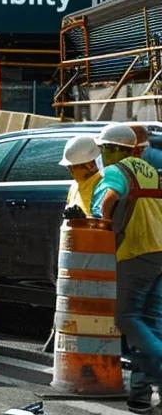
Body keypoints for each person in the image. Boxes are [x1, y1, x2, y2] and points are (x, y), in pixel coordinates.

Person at [92, 123, 162, 415]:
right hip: (159, 249)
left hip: (135, 251)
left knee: (126, 318)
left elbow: (106, 201)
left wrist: (103, 225)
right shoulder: (150, 171)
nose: (100, 155)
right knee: (151, 321)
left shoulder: (115, 171)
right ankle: (140, 396)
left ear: (111, 149)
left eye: (102, 149)